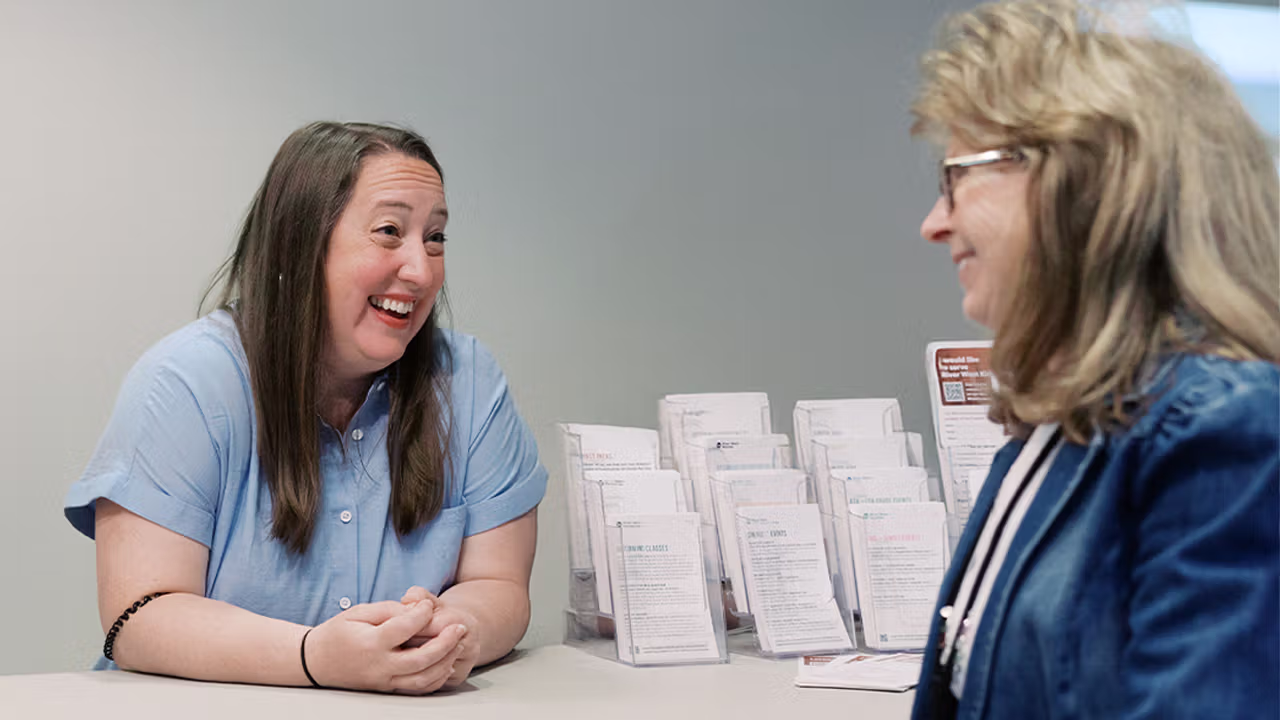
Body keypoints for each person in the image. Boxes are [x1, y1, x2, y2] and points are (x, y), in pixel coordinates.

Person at [64, 122, 547, 695]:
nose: (421, 270)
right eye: (390, 232)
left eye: (435, 237)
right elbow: (138, 616)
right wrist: (314, 657)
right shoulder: (186, 382)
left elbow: (499, 585)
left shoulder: (468, 380)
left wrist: (442, 634)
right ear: (301, 243)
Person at [908, 1, 1279, 717]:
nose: (933, 224)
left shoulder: (1230, 431)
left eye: (956, 177)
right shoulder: (1062, 418)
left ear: (1083, 180)